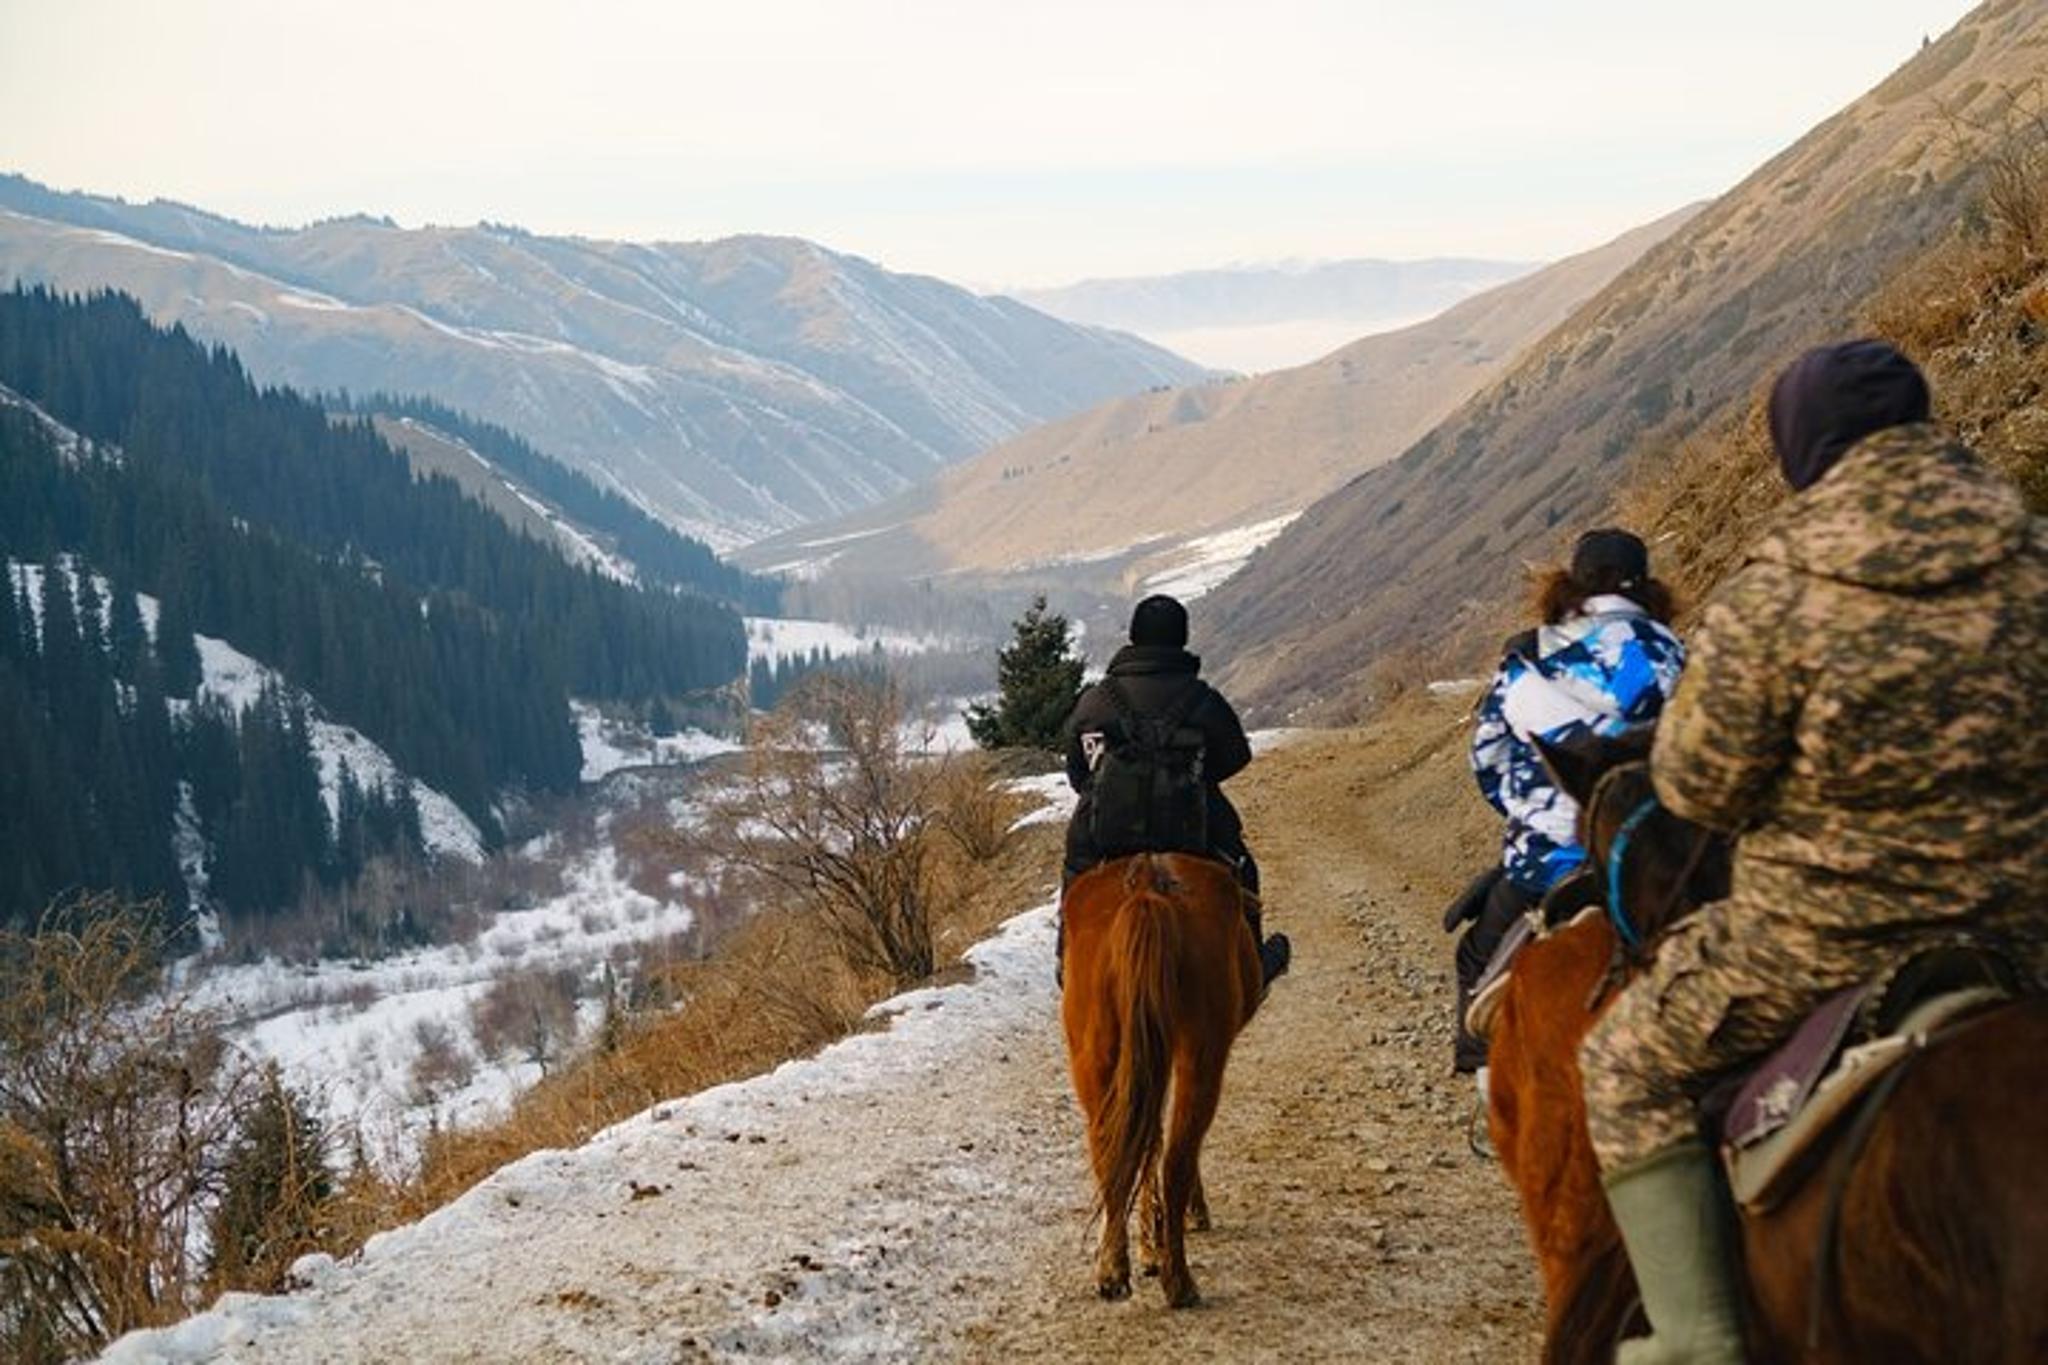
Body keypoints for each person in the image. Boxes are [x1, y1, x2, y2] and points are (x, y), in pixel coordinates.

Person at [1579, 340, 2048, 1364]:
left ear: (1803, 449)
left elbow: (1698, 786)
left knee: (1622, 1062)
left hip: (1819, 936)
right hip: (2022, 922)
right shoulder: (2030, 553)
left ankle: (1697, 1342)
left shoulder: (1777, 590)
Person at [1456, 530, 1687, 1084]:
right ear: (1646, 585)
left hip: (1551, 861)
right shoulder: (1672, 652)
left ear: (1572, 584)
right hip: (1656, 860)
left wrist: (1536, 818)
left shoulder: (1528, 656)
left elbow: (1487, 757)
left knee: (1475, 957)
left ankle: (1485, 1074)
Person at [1060, 594, 1291, 988]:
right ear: (1182, 638)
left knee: (1076, 874)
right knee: (1242, 869)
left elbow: (1078, 773)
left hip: (1108, 829)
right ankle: (1251, 965)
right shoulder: (1203, 700)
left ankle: (1068, 962)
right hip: (1192, 825)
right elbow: (1236, 756)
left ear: (1132, 637)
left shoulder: (1095, 702)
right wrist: (1194, 775)